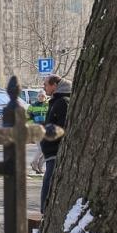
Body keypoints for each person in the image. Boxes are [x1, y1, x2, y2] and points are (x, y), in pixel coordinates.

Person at [39, 74, 70, 205]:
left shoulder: (62, 102)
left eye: (46, 84)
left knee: (49, 182)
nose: (44, 87)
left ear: (55, 86)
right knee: (48, 182)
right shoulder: (56, 101)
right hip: (51, 150)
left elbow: (62, 127)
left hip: (55, 150)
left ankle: (44, 212)